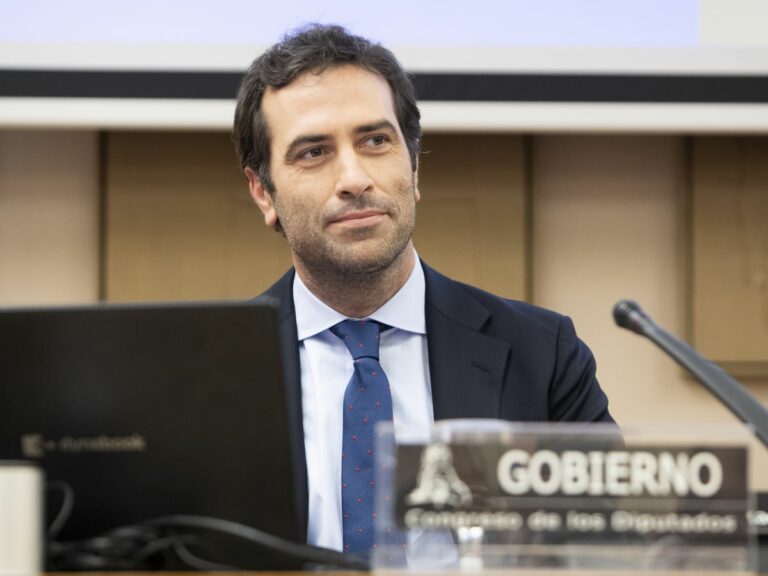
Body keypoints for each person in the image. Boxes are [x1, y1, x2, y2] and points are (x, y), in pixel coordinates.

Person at [233, 24, 614, 556]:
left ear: (413, 166)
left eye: (375, 141)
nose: (354, 178)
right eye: (314, 152)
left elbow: (610, 544)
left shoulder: (542, 353)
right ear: (262, 192)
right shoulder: (212, 371)